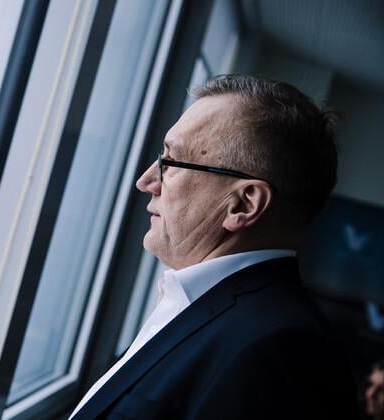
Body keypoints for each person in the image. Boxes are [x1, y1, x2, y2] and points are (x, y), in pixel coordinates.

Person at [69, 75, 358, 419]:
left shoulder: (277, 352)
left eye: (171, 162)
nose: (146, 181)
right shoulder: (211, 308)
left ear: (243, 204)